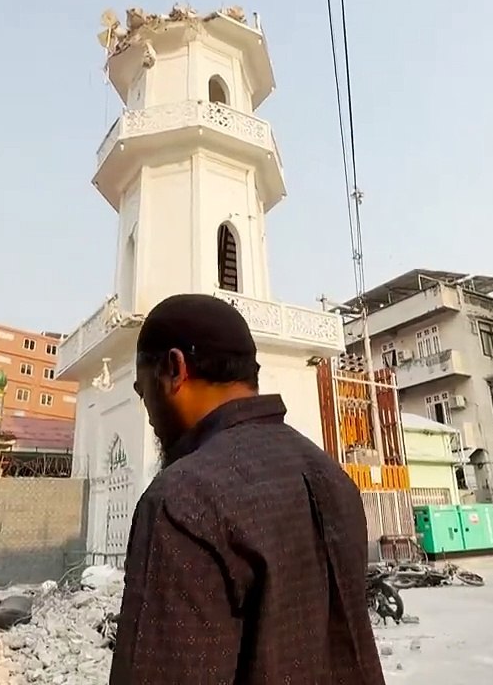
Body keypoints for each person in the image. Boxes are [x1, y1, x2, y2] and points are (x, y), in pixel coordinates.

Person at [110, 294, 386, 685]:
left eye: (143, 390)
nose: (148, 410)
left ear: (175, 368)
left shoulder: (182, 499)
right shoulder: (332, 477)